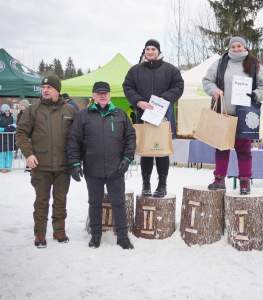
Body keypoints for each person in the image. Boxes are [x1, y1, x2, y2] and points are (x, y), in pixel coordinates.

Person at [67, 81, 136, 249]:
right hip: (92, 168)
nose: (103, 95)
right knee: (95, 203)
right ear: (93, 96)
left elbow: (130, 137)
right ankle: (95, 235)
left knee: (118, 203)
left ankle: (122, 236)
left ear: (110, 95)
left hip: (116, 169)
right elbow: (73, 140)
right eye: (99, 93)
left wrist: (127, 159)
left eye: (105, 93)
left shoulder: (120, 114)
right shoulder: (83, 115)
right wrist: (75, 164)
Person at [202, 36, 263, 194]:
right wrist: (214, 90)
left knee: (244, 150)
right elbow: (207, 81)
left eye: (239, 46)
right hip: (224, 113)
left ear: (245, 47)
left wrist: (255, 94)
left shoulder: (254, 64)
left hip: (244, 114)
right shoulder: (220, 63)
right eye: (233, 46)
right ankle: (219, 179)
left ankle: (245, 182)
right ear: (229, 48)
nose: (236, 48)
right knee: (221, 148)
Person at [16, 75, 76, 248]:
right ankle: (40, 234)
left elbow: (77, 137)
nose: (46, 90)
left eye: (50, 87)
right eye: (44, 87)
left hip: (63, 166)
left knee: (60, 200)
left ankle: (59, 230)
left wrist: (76, 160)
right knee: (41, 201)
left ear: (57, 90)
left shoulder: (70, 111)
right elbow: (21, 133)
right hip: (40, 165)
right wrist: (28, 154)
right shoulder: (33, 110)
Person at [123, 39, 184, 198]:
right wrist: (138, 101)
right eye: (147, 49)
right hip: (142, 116)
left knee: (162, 150)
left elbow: (178, 86)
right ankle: (146, 184)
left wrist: (164, 99)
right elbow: (127, 87)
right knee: (146, 151)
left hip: (164, 116)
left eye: (153, 49)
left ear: (159, 52)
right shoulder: (134, 70)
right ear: (144, 52)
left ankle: (162, 184)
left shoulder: (170, 70)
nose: (150, 52)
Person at [0, 104, 15, 172]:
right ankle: (2, 167)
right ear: (3, 111)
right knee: (2, 153)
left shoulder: (12, 117)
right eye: (5, 110)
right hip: (1, 138)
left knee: (9, 153)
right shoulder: (0, 117)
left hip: (10, 138)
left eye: (8, 110)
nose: (7, 112)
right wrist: (4, 129)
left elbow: (15, 125)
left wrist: (13, 128)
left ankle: (8, 167)